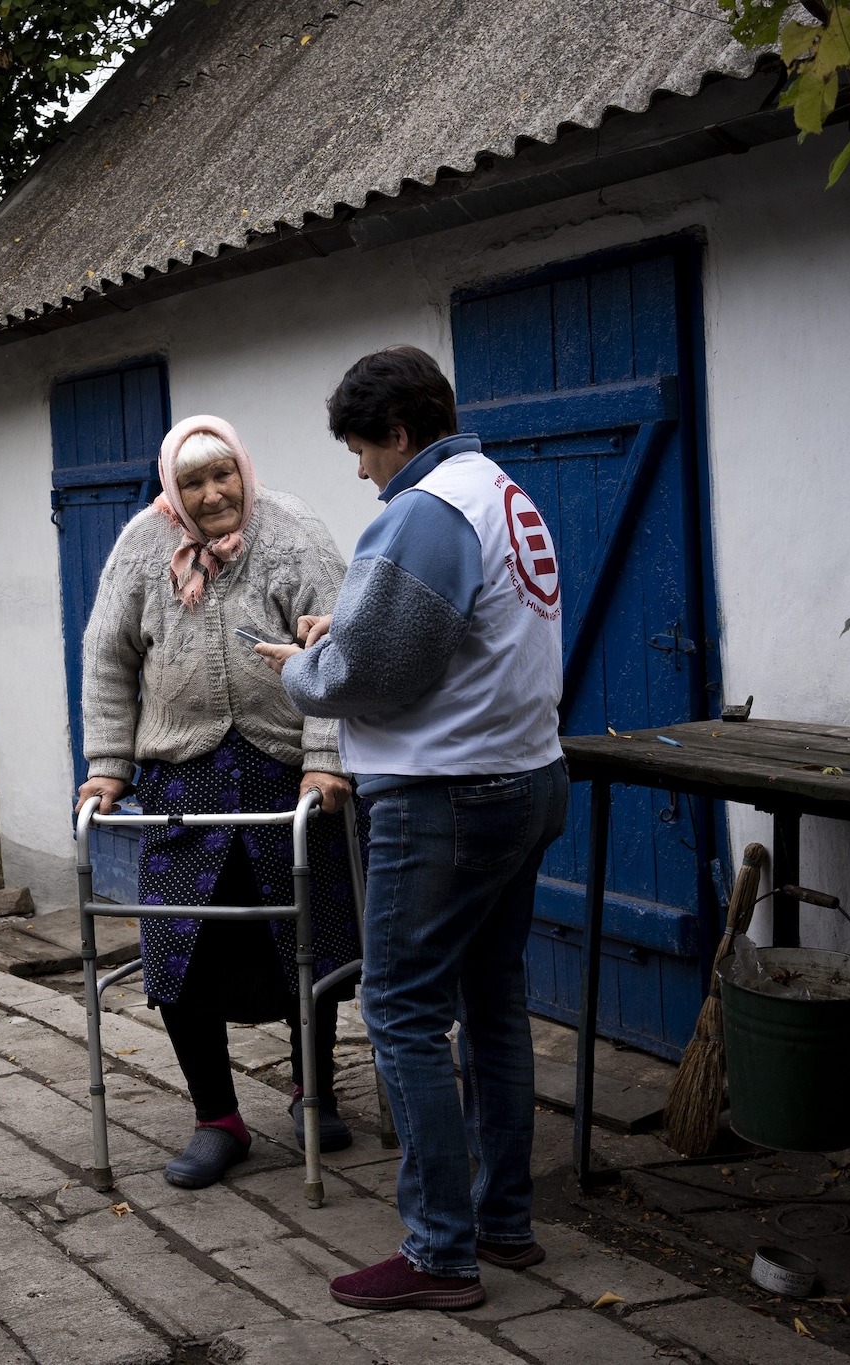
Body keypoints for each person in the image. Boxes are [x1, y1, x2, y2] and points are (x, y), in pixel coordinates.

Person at [256, 347, 568, 1311]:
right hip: (526, 775)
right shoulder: (502, 493)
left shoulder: (425, 510)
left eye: (362, 451)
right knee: (491, 999)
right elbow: (443, 636)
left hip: (444, 795)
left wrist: (302, 672)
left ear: (399, 433)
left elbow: (378, 675)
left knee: (399, 1009)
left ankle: (440, 1251)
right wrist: (340, 633)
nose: (360, 471)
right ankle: (502, 1220)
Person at [78, 413, 364, 1189]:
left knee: (311, 930)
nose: (212, 494)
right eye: (194, 481)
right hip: (183, 777)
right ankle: (218, 1119)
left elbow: (340, 643)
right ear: (174, 486)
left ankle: (315, 1092)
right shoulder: (142, 545)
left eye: (223, 475)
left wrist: (327, 756)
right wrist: (107, 764)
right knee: (179, 946)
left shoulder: (293, 531)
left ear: (243, 468)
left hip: (286, 770)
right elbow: (108, 656)